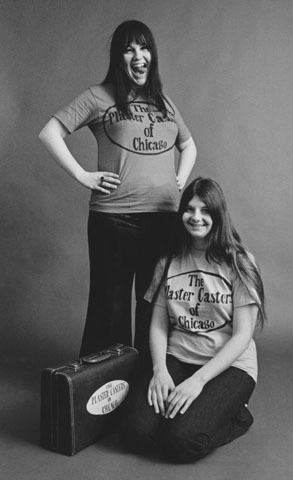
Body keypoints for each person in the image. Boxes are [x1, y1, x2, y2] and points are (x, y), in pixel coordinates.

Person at [38, 20, 196, 361]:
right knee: (110, 309)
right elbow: (49, 133)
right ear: (118, 57)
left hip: (165, 220)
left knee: (153, 306)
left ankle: (146, 385)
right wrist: (82, 175)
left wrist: (178, 179)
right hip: (115, 220)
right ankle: (103, 393)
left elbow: (189, 145)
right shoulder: (99, 96)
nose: (139, 56)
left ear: (152, 55)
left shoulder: (163, 102)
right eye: (129, 49)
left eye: (144, 48)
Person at [121, 177, 266, 463]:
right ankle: (189, 411)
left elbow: (242, 335)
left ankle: (238, 414)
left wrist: (198, 381)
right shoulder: (170, 259)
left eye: (205, 210)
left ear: (218, 215)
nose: (196, 217)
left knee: (180, 443)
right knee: (135, 433)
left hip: (229, 366)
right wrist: (160, 369)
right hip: (178, 357)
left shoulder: (239, 261)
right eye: (189, 209)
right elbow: (159, 323)